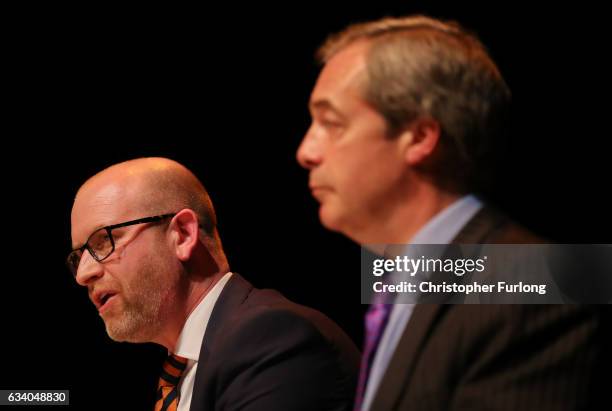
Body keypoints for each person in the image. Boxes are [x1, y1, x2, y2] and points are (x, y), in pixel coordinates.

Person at [296, 15, 607, 410]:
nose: (306, 152)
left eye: (331, 122)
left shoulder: (541, 287)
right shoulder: (397, 284)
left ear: (420, 137)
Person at [67, 157, 360, 411]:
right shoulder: (189, 369)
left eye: (104, 241)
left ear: (182, 234)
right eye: (78, 257)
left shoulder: (272, 340)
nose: (83, 274)